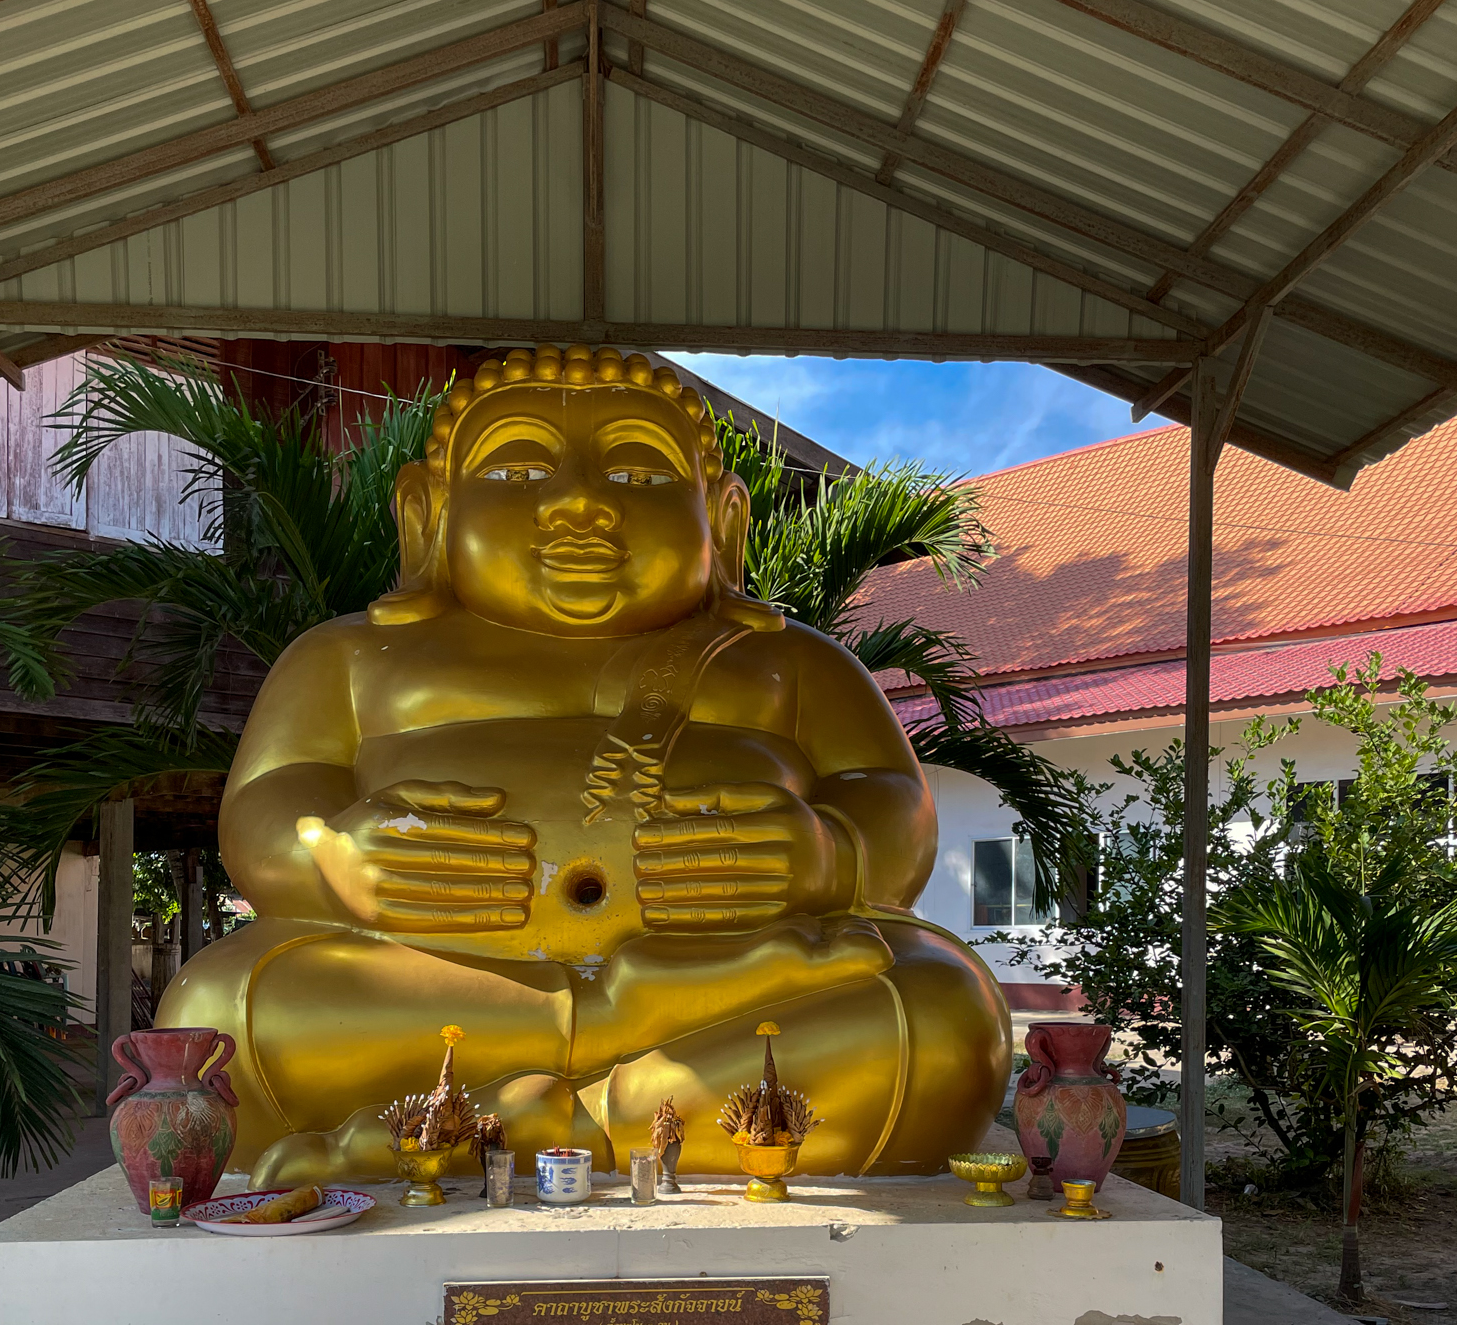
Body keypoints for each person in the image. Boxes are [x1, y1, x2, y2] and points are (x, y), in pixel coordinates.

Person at [158, 343, 1009, 1181]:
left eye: (639, 473)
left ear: (724, 521)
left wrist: (829, 854)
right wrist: (336, 858)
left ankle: (531, 1123)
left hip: (744, 977)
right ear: (427, 513)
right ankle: (623, 1079)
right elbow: (267, 807)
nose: (578, 504)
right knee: (218, 1011)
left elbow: (893, 805)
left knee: (942, 1013)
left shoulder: (790, 663)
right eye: (516, 471)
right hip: (451, 983)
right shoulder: (350, 657)